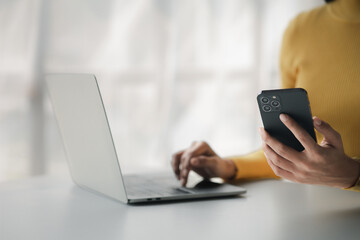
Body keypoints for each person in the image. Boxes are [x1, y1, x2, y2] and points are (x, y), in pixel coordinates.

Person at [171, 0, 360, 191]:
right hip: (317, 212)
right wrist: (227, 166)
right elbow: (293, 151)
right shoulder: (302, 28)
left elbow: (335, 170)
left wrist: (353, 174)